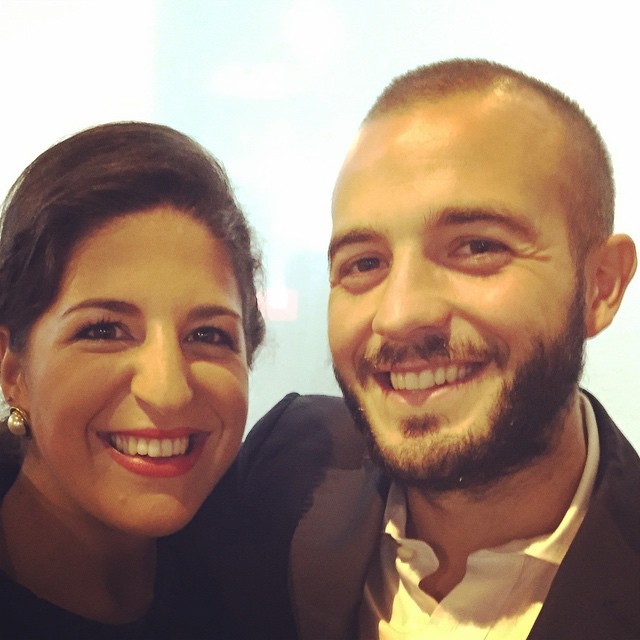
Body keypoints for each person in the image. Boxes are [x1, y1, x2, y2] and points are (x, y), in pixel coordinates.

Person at [227, 60, 639, 639]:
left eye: (477, 247)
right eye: (364, 263)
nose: (399, 316)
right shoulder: (288, 466)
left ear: (601, 286)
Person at [0, 121, 264, 638]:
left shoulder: (265, 564)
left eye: (208, 335)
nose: (168, 392)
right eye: (104, 330)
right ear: (13, 371)